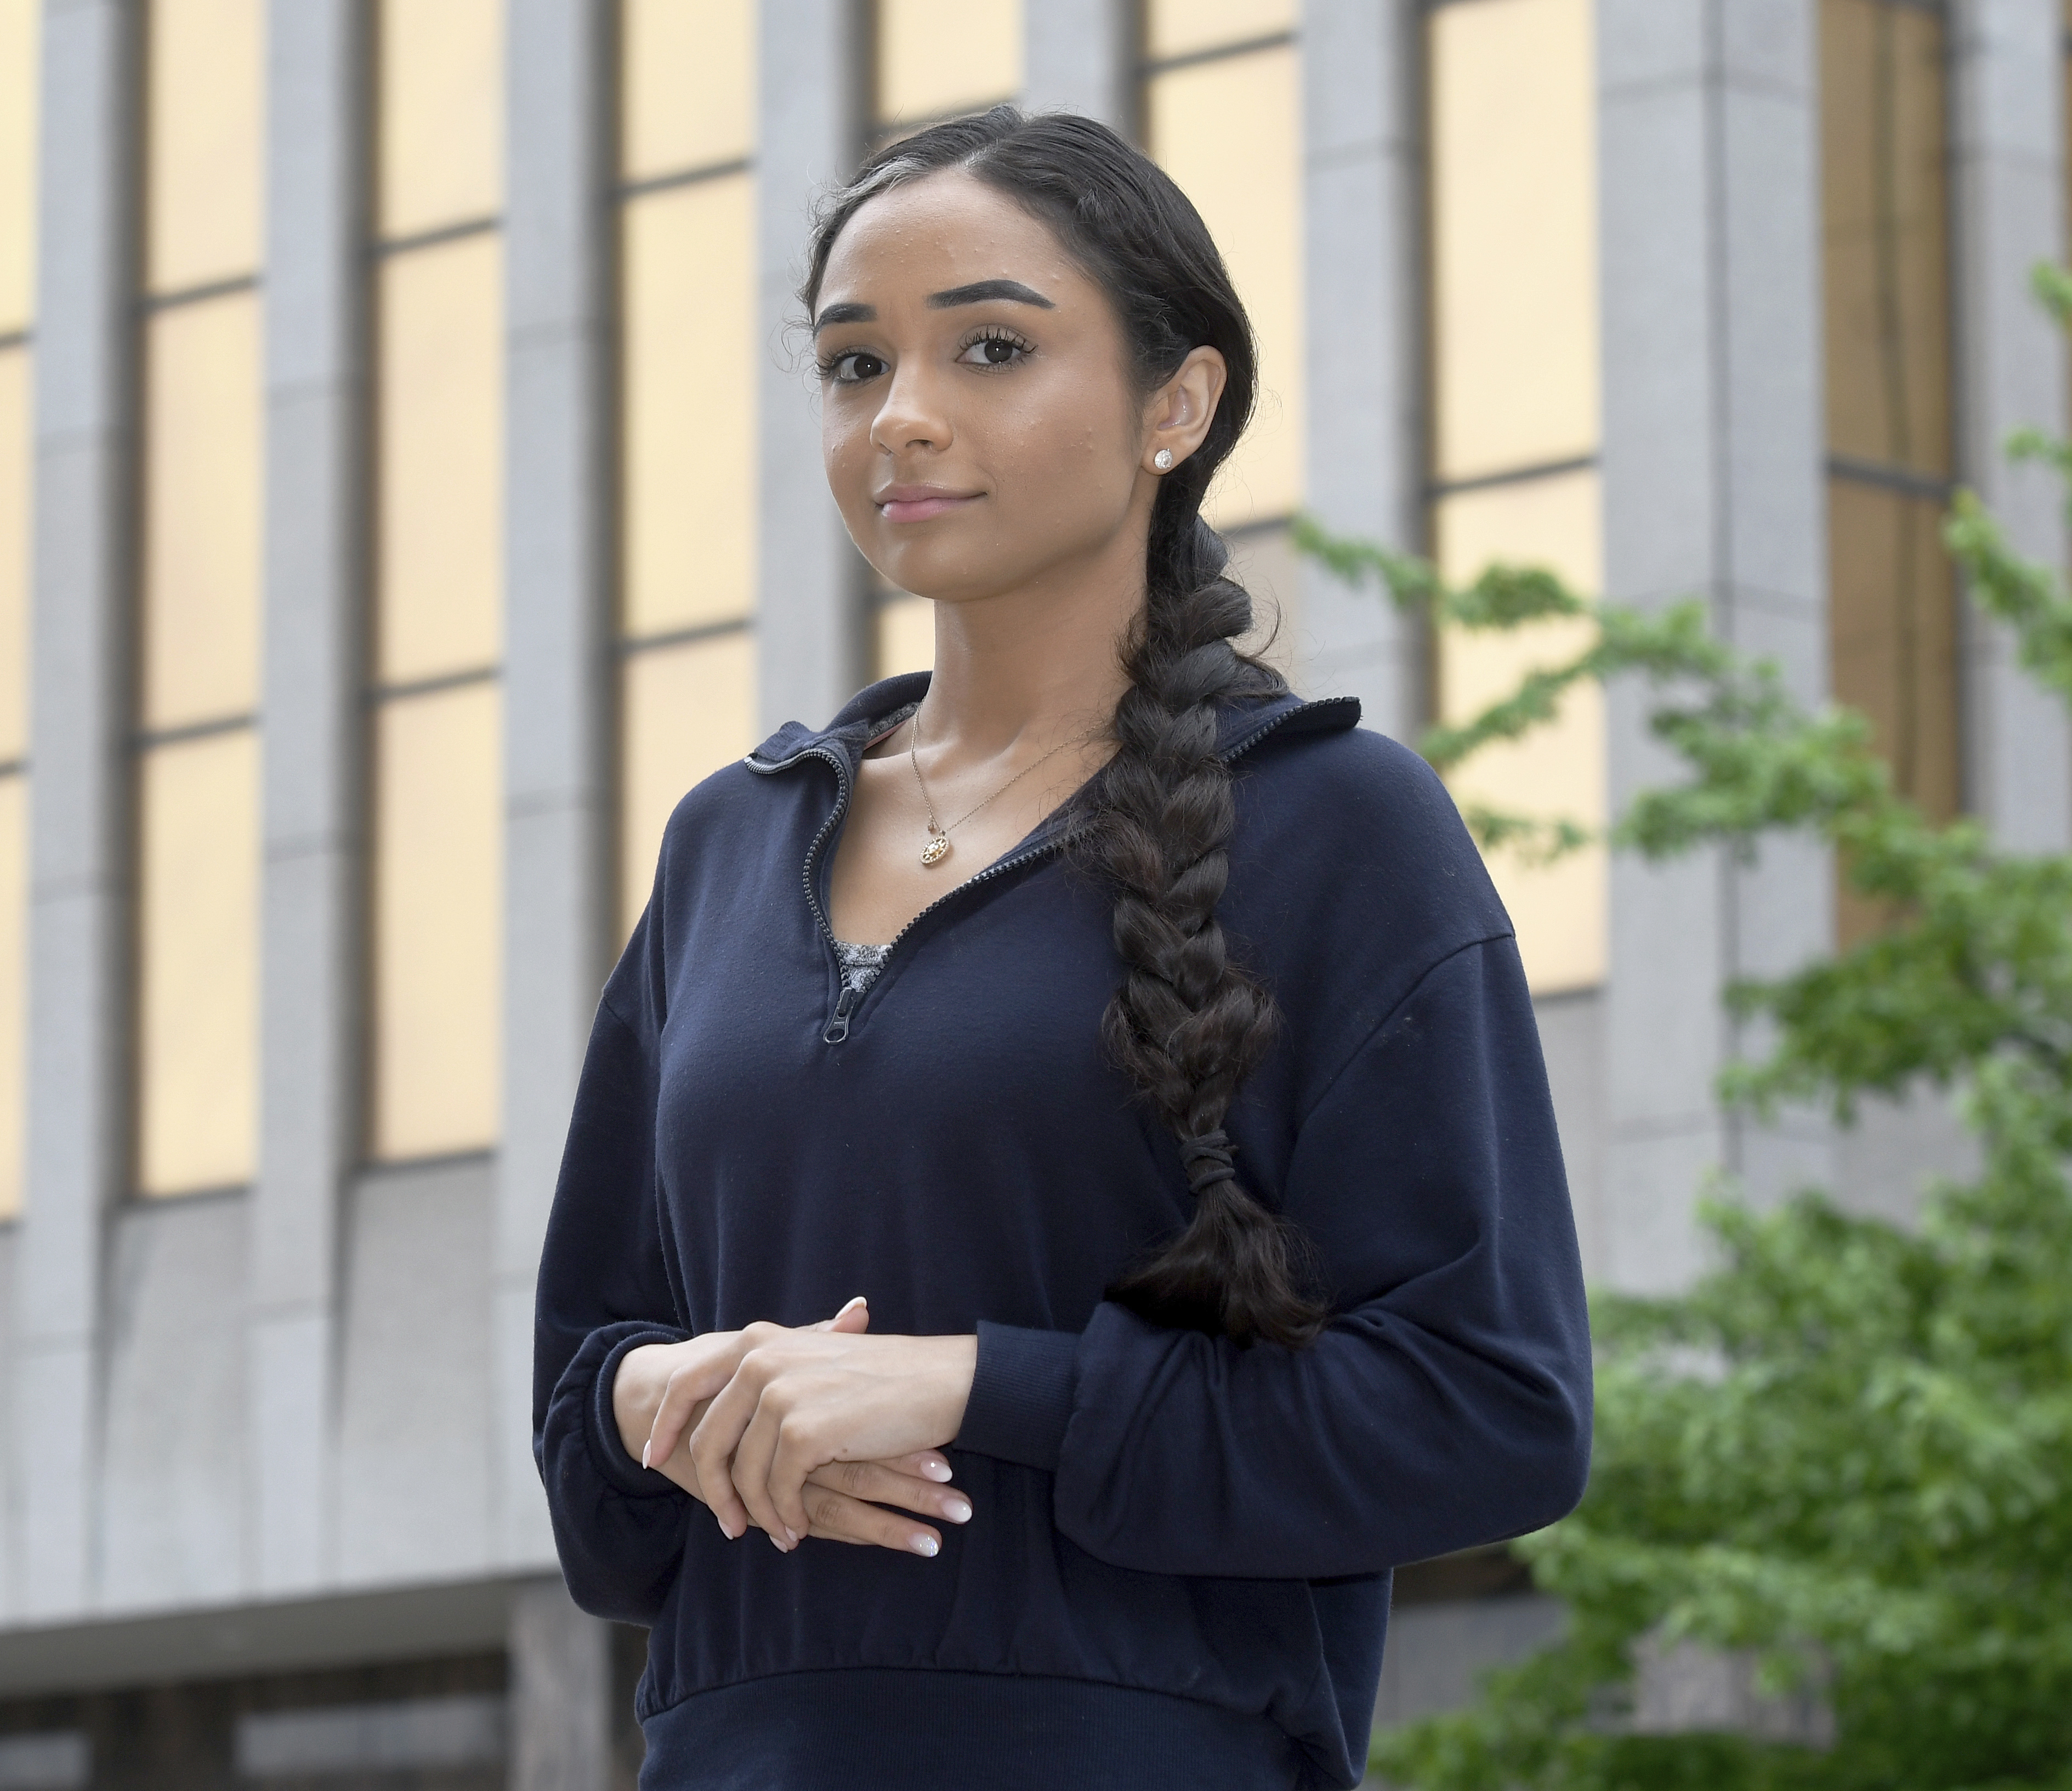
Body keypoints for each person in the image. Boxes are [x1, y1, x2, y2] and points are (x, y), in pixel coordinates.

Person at [530, 107, 1593, 1789]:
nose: (902, 415)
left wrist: (973, 1392)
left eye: (992, 348)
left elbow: (1492, 1415)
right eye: (854, 364)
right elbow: (587, 1440)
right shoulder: (724, 844)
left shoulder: (1336, 827)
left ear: (1178, 404)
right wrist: (656, 1399)